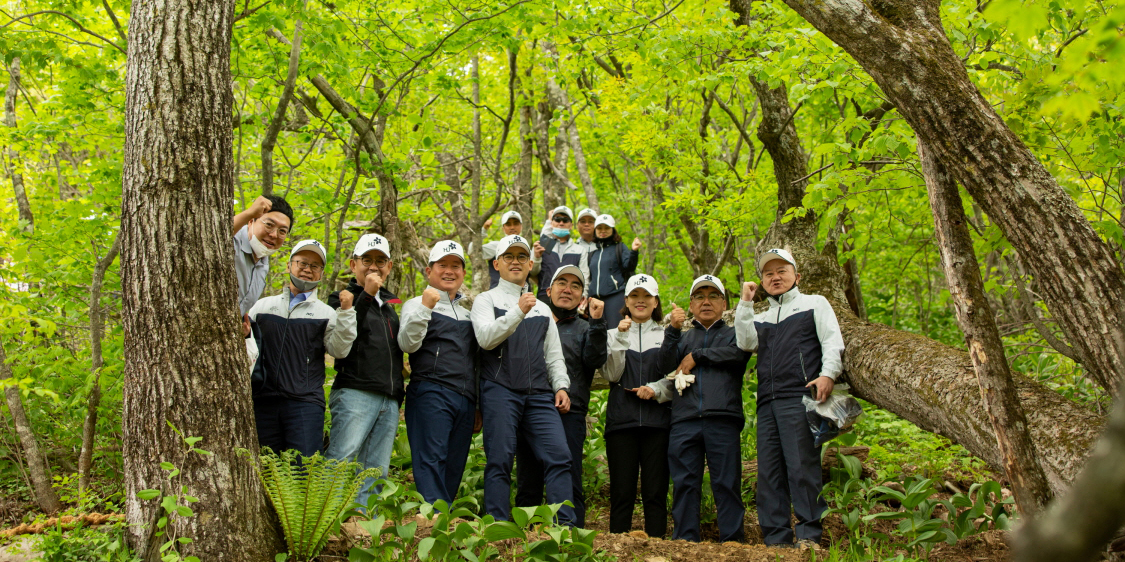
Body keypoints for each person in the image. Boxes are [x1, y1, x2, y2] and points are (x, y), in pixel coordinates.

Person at [734, 248, 844, 549]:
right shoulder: (763, 316)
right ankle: (776, 540)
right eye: (769, 273)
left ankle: (809, 535)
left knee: (802, 468)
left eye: (782, 271)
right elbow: (745, 342)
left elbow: (832, 340)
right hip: (766, 402)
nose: (775, 277)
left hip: (800, 396)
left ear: (797, 275)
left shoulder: (813, 304)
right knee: (769, 473)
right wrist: (745, 302)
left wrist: (828, 374)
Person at [635, 274, 751, 542]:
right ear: (691, 304)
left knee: (727, 482)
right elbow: (664, 365)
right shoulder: (683, 337)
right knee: (685, 483)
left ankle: (733, 540)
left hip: (723, 417)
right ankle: (685, 540)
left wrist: (699, 356)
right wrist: (673, 331)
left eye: (713, 296)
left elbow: (739, 355)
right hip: (684, 419)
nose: (706, 302)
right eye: (700, 296)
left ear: (724, 303)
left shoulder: (735, 334)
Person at [471, 234, 576, 526]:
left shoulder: (543, 308)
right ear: (497, 263)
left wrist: (562, 386)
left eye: (521, 257)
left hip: (540, 395)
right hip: (499, 389)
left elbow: (553, 355)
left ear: (531, 264)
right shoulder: (485, 300)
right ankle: (497, 525)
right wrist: (518, 311)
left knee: (559, 456)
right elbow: (485, 339)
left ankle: (564, 527)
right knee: (500, 460)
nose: (515, 262)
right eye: (509, 257)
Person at [514, 265, 608, 527]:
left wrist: (598, 322)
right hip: (529, 408)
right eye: (562, 283)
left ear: (582, 297)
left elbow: (595, 358)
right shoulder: (529, 321)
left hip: (569, 411)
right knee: (528, 479)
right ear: (549, 290)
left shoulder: (586, 327)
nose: (567, 289)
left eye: (575, 286)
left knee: (569, 476)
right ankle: (524, 539)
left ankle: (571, 537)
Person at [248, 240, 357, 457]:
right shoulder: (262, 307)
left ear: (321, 273)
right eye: (302, 263)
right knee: (265, 469)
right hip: (263, 401)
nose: (307, 270)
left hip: (305, 404)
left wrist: (346, 313)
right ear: (289, 265)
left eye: (315, 266)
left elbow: (339, 350)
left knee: (302, 472)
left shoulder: (326, 313)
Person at [323, 234, 403, 509]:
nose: (374, 266)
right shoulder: (341, 297)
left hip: (388, 396)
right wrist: (367, 294)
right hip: (355, 390)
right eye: (367, 260)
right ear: (353, 263)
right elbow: (344, 337)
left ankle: (361, 520)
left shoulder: (391, 306)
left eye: (380, 261)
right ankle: (322, 519)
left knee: (376, 468)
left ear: (389, 266)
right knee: (341, 456)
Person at [398, 240, 481, 507]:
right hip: (431, 390)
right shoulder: (415, 304)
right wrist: (425, 307)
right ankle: (433, 516)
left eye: (455, 266)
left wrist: (477, 403)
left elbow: (476, 361)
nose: (449, 271)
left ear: (463, 273)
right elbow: (407, 343)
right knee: (430, 457)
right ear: (429, 270)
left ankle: (441, 517)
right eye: (442, 265)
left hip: (465, 398)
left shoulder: (470, 314)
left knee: (455, 461)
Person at [600, 274, 671, 538]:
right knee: (622, 490)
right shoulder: (612, 333)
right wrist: (620, 337)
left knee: (656, 491)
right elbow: (612, 374)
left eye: (646, 297)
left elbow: (675, 375)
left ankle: (658, 544)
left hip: (658, 423)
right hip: (621, 422)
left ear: (655, 302)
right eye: (634, 296)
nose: (640, 301)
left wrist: (657, 390)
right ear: (626, 301)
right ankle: (618, 546)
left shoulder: (667, 335)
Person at [233, 195, 294, 316]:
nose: (274, 235)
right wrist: (249, 213)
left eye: (282, 231)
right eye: (269, 225)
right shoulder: (233, 240)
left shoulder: (263, 264)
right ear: (251, 221)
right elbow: (210, 237)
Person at [587, 214, 642, 330]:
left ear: (613, 230)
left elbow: (629, 267)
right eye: (599, 228)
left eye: (606, 228)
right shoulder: (592, 253)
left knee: (615, 331)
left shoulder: (619, 247)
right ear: (595, 230)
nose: (603, 231)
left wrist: (634, 251)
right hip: (595, 299)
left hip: (615, 296)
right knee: (597, 334)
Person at [532, 206, 590, 303]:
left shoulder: (579, 250)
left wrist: (583, 296)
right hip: (544, 297)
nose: (561, 223)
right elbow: (532, 272)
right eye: (557, 219)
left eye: (565, 220)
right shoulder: (543, 245)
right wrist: (536, 257)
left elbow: (584, 276)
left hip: (569, 298)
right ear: (552, 223)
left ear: (571, 225)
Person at [482, 210, 532, 291]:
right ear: (503, 228)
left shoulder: (526, 247)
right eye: (508, 224)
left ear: (521, 226)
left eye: (516, 223)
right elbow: (472, 250)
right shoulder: (495, 246)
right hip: (498, 295)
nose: (512, 227)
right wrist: (484, 229)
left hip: (523, 295)